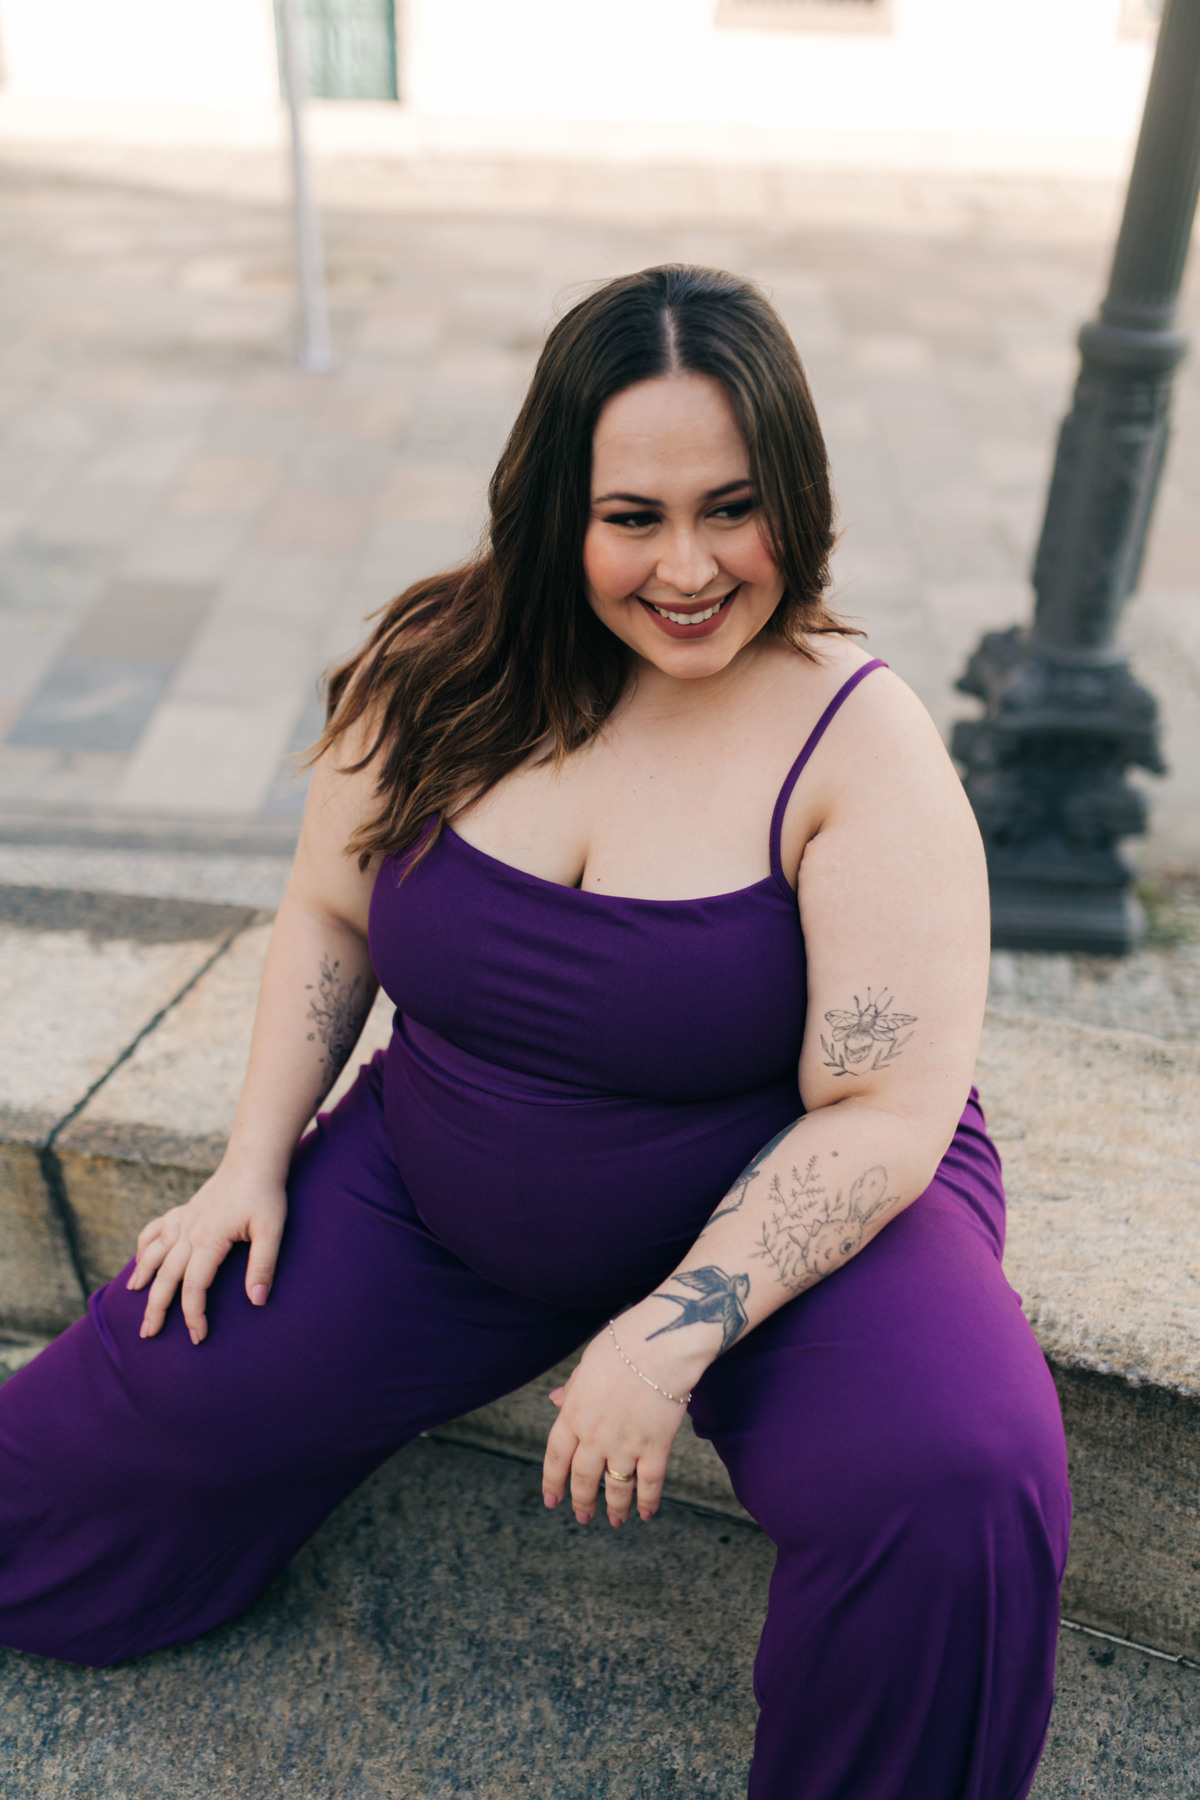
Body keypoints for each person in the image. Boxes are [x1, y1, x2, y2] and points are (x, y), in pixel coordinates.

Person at [0, 265, 1069, 1799]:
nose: (689, 567)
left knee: (956, 1474)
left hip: (792, 1196)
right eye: (634, 516)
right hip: (440, 1187)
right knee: (139, 1399)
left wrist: (672, 1328)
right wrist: (252, 1163)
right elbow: (331, 913)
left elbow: (886, 1110)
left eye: (734, 508)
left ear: (799, 498)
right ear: (556, 506)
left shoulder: (862, 741)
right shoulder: (436, 668)